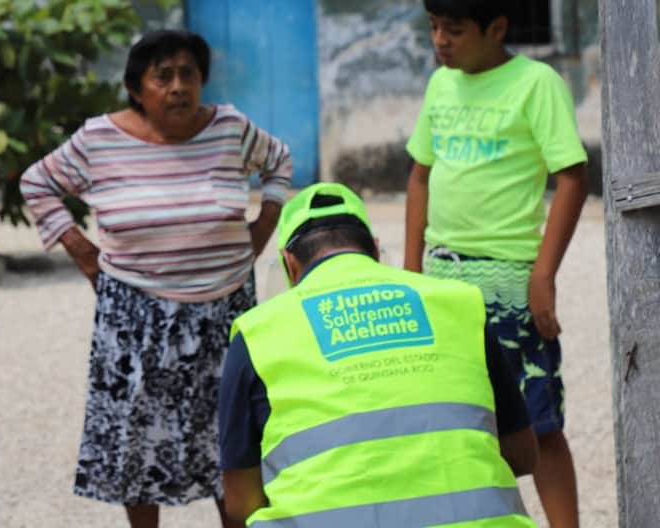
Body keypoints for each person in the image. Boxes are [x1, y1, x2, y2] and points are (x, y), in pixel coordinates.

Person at [20, 29, 292, 528]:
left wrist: (263, 225)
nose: (178, 87)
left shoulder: (230, 128)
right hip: (136, 321)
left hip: (225, 315)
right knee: (137, 445)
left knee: (233, 440)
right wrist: (83, 253)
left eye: (188, 74)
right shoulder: (99, 139)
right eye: (162, 76)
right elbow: (37, 183)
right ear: (135, 88)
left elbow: (278, 163)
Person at [219, 181, 539, 526]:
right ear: (374, 248)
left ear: (289, 263)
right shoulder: (459, 303)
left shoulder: (258, 333)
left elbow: (240, 502)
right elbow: (523, 455)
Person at [404, 0, 588, 528]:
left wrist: (543, 275)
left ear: (497, 28)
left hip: (509, 279)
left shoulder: (536, 84)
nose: (440, 41)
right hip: (442, 277)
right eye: (434, 27)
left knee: (539, 422)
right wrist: (410, 272)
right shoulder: (440, 84)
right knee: (454, 418)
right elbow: (419, 176)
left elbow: (572, 176)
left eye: (454, 30)